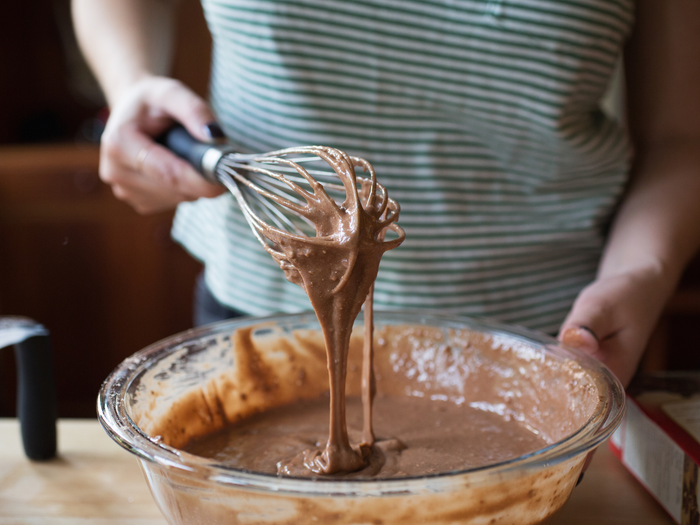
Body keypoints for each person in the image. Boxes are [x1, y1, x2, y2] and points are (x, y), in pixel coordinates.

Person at [72, 0, 700, 388]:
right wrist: (130, 78)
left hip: (549, 338)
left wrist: (641, 272)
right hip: (261, 319)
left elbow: (678, 137)